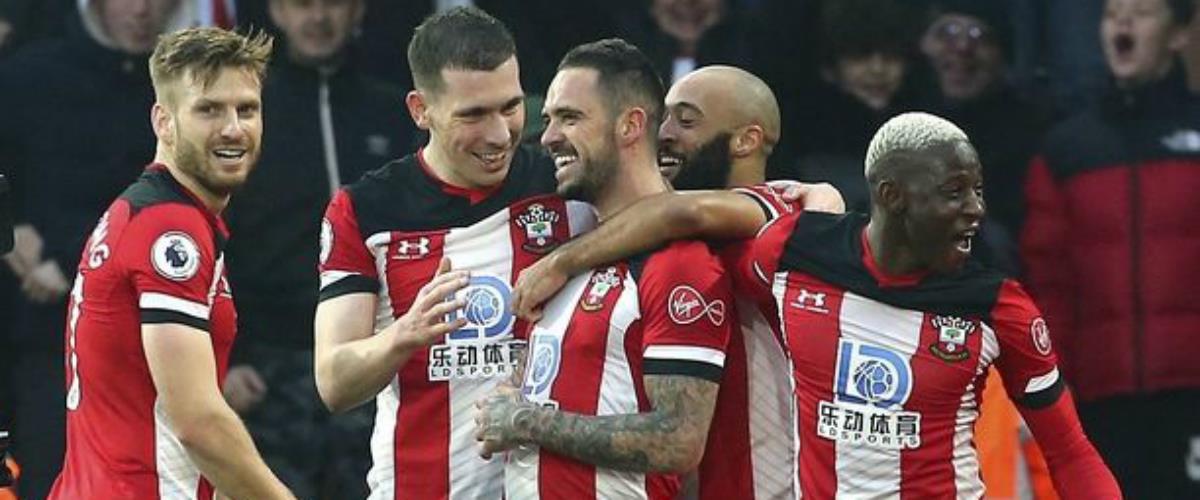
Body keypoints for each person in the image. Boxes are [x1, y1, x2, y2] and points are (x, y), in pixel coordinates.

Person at [510, 111, 1121, 498]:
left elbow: (1069, 449)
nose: (976, 210)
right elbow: (679, 219)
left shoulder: (998, 307)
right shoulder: (792, 253)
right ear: (892, 196)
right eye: (954, 192)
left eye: (978, 191)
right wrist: (563, 263)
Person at [311, 7, 598, 499]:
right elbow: (334, 382)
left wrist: (564, 260)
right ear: (420, 110)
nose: (499, 134)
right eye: (473, 115)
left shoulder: (566, 187)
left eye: (510, 106)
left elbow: (668, 213)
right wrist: (403, 334)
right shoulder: (366, 209)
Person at [473, 38, 735, 500]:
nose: (549, 137)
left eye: (570, 118)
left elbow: (678, 439)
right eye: (549, 119)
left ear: (630, 125)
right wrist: (509, 399)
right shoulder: (566, 260)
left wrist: (526, 421)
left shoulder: (680, 262)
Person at [46, 26, 294, 500]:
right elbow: (198, 422)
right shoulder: (169, 230)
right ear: (163, 121)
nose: (233, 128)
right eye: (208, 109)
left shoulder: (145, 213)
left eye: (247, 109)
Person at [0, 1, 198, 496]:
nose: (142, 10)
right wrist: (11, 228)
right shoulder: (29, 75)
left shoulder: (187, 89)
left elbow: (180, 202)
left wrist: (69, 261)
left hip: (150, 334)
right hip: (43, 336)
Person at [219, 0, 414, 497]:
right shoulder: (246, 118)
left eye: (333, 3)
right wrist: (228, 357)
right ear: (277, 12)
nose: (318, 18)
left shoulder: (395, 112)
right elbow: (213, 240)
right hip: (270, 370)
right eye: (302, 4)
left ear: (358, 10)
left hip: (375, 358)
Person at [1021, 0, 1200, 497]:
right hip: (1100, 401)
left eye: (1142, 12)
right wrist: (1056, 387)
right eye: (1112, 13)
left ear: (1179, 34)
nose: (1123, 23)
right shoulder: (1067, 149)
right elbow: (1049, 281)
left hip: (1191, 394)